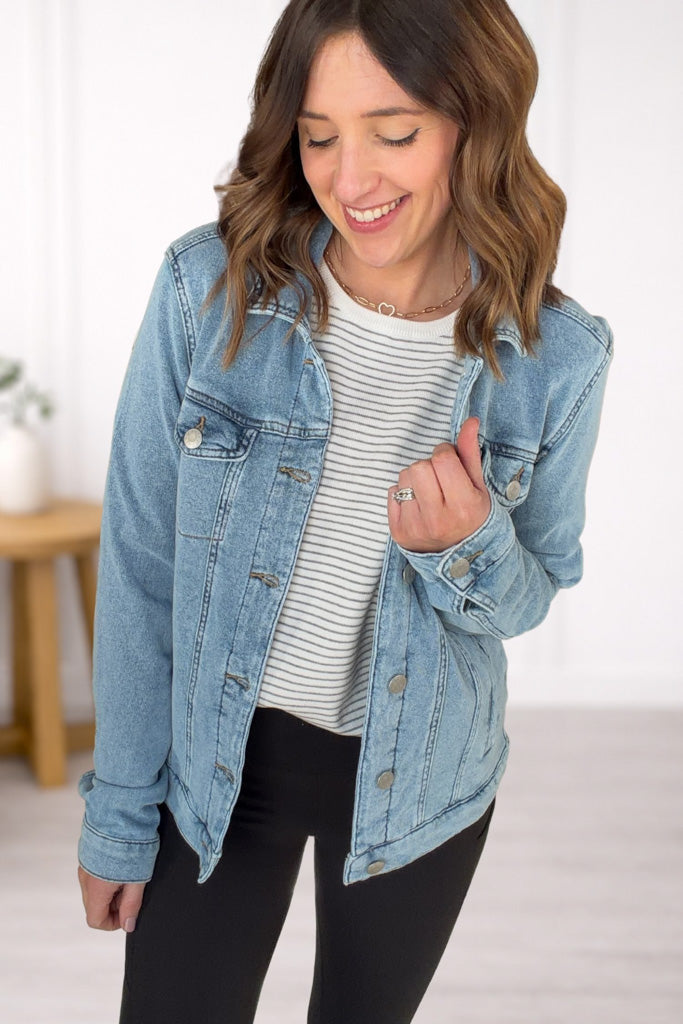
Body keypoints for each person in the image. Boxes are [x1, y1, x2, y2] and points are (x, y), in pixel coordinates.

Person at [77, 1, 613, 1021]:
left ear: (478, 119)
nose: (349, 179)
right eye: (318, 136)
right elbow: (143, 564)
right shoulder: (210, 288)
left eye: (395, 132)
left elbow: (531, 592)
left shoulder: (556, 357)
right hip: (218, 770)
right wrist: (117, 815)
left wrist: (465, 548)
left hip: (418, 783)